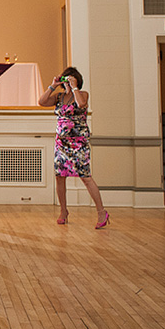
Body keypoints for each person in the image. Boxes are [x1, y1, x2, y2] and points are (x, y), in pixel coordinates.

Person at [38, 67, 109, 228]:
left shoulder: (83, 94)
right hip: (62, 143)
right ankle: (63, 211)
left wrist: (75, 87)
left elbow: (81, 104)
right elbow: (41, 102)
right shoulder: (59, 97)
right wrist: (53, 85)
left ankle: (101, 212)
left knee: (85, 176)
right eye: (66, 79)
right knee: (60, 176)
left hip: (79, 142)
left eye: (70, 79)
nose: (67, 82)